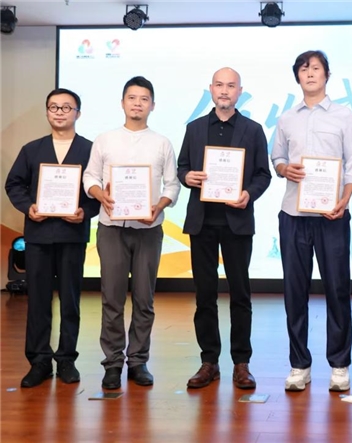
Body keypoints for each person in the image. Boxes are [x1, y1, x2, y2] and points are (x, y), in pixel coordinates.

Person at [271, 50, 352, 392]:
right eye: (304, 69)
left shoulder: (343, 115)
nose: (310, 73)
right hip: (293, 214)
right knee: (295, 292)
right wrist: (284, 168)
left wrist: (345, 199)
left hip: (331, 214)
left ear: (327, 75)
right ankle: (299, 365)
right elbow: (277, 157)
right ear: (297, 76)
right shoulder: (286, 118)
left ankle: (339, 364)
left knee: (337, 289)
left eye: (316, 68)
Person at [83, 76, 180, 390]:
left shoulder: (162, 143)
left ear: (153, 105)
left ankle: (138, 361)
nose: (137, 103)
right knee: (111, 298)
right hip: (111, 228)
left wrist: (159, 205)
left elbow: (172, 184)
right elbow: (90, 177)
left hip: (148, 229)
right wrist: (100, 194)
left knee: (144, 299)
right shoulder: (105, 139)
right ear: (122, 102)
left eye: (144, 99)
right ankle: (112, 363)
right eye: (132, 98)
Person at [177, 67, 272, 390]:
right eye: (219, 85)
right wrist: (187, 177)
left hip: (237, 222)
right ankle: (209, 362)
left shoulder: (253, 130)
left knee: (240, 294)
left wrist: (249, 194)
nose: (224, 91)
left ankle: (241, 363)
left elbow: (263, 174)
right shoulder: (194, 128)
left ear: (239, 91)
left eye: (231, 86)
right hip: (202, 222)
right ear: (211, 89)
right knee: (204, 295)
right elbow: (182, 167)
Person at [5, 88, 100, 388]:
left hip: (73, 234)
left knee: (70, 299)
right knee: (38, 300)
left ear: (78, 113)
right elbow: (14, 184)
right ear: (47, 112)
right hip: (39, 235)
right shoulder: (31, 150)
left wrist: (85, 212)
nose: (59, 112)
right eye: (54, 107)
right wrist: (28, 207)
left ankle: (67, 359)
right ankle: (40, 361)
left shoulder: (90, 150)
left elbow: (100, 191)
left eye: (66, 107)